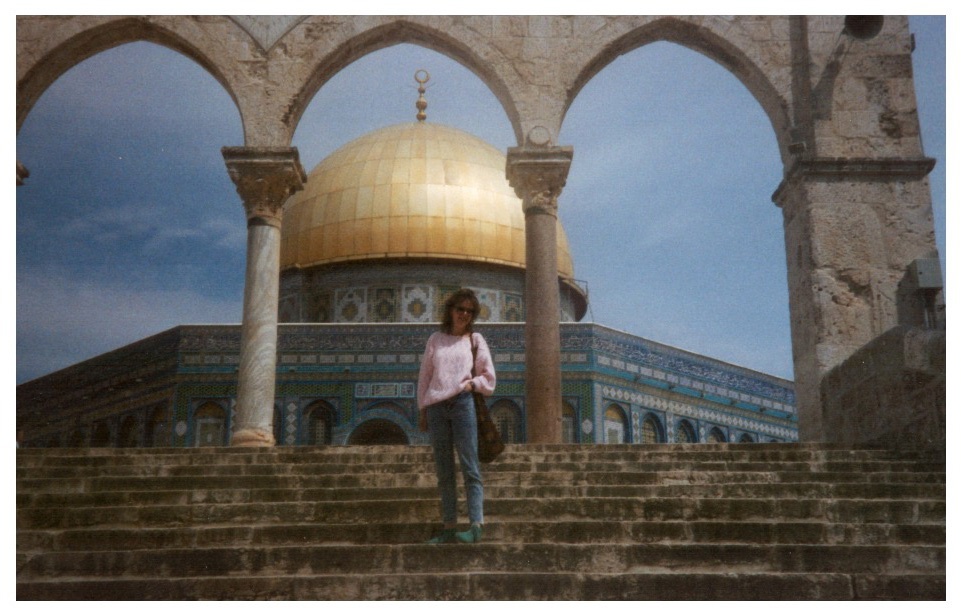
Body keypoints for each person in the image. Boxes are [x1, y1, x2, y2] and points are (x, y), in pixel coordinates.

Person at [417, 288, 496, 544]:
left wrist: (472, 385)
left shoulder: (475, 340)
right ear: (450, 310)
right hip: (437, 407)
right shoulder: (435, 339)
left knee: (470, 466)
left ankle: (475, 526)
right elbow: (425, 377)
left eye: (470, 311)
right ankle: (449, 527)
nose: (464, 314)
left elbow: (489, 377)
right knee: (444, 470)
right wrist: (423, 409)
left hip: (463, 404)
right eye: (460, 309)